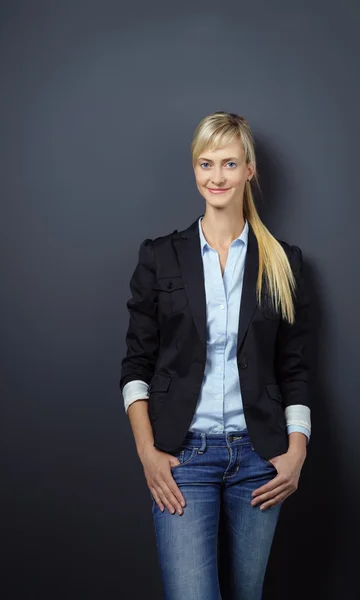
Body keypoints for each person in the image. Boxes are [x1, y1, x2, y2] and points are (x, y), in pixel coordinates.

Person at [119, 111, 311, 600]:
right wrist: (147, 452)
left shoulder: (282, 262)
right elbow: (135, 366)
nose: (216, 176)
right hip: (183, 458)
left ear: (249, 170)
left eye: (229, 163)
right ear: (195, 169)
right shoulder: (160, 256)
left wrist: (297, 450)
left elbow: (294, 368)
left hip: (259, 458)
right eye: (206, 164)